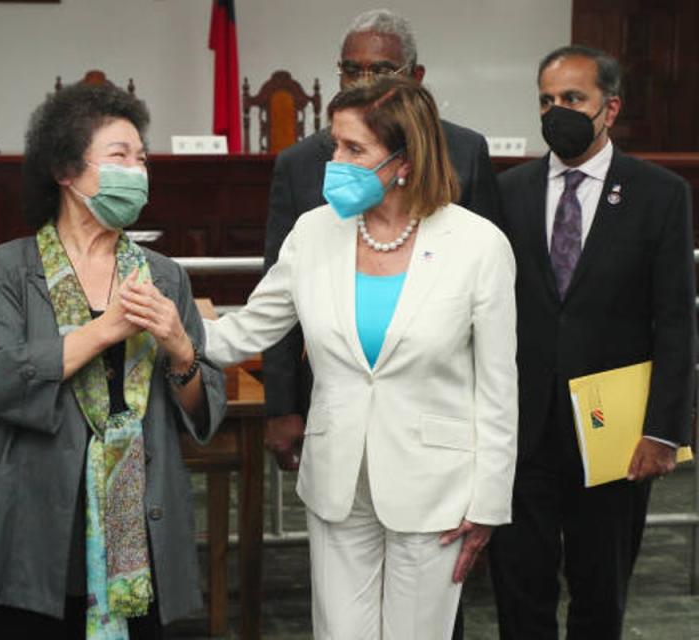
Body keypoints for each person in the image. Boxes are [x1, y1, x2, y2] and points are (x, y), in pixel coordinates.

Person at [202, 75, 517, 639]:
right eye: (335, 146)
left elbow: (498, 386)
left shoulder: (478, 245)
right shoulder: (314, 232)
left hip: (437, 488)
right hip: (337, 480)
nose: (336, 163)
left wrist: (489, 501)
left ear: (404, 160)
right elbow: (248, 329)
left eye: (354, 150)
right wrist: (170, 328)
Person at [0, 82, 226, 639]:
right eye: (119, 156)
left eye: (142, 158)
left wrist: (180, 348)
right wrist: (104, 331)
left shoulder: (163, 274)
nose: (137, 170)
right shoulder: (8, 269)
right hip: (35, 514)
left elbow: (202, 413)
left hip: (138, 519)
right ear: (65, 171)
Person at [488, 46, 697, 639]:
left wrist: (665, 430)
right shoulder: (509, 192)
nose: (557, 112)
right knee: (518, 590)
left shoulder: (659, 194)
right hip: (522, 430)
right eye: (546, 101)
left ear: (610, 108)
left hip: (614, 434)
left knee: (599, 595)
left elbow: (676, 320)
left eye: (572, 100)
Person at [262, 8, 502, 474]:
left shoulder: (465, 153)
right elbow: (279, 295)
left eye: (379, 70)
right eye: (351, 69)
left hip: (439, 405)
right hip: (338, 401)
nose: (361, 80)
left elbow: (489, 302)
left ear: (416, 76)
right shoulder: (301, 162)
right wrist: (282, 404)